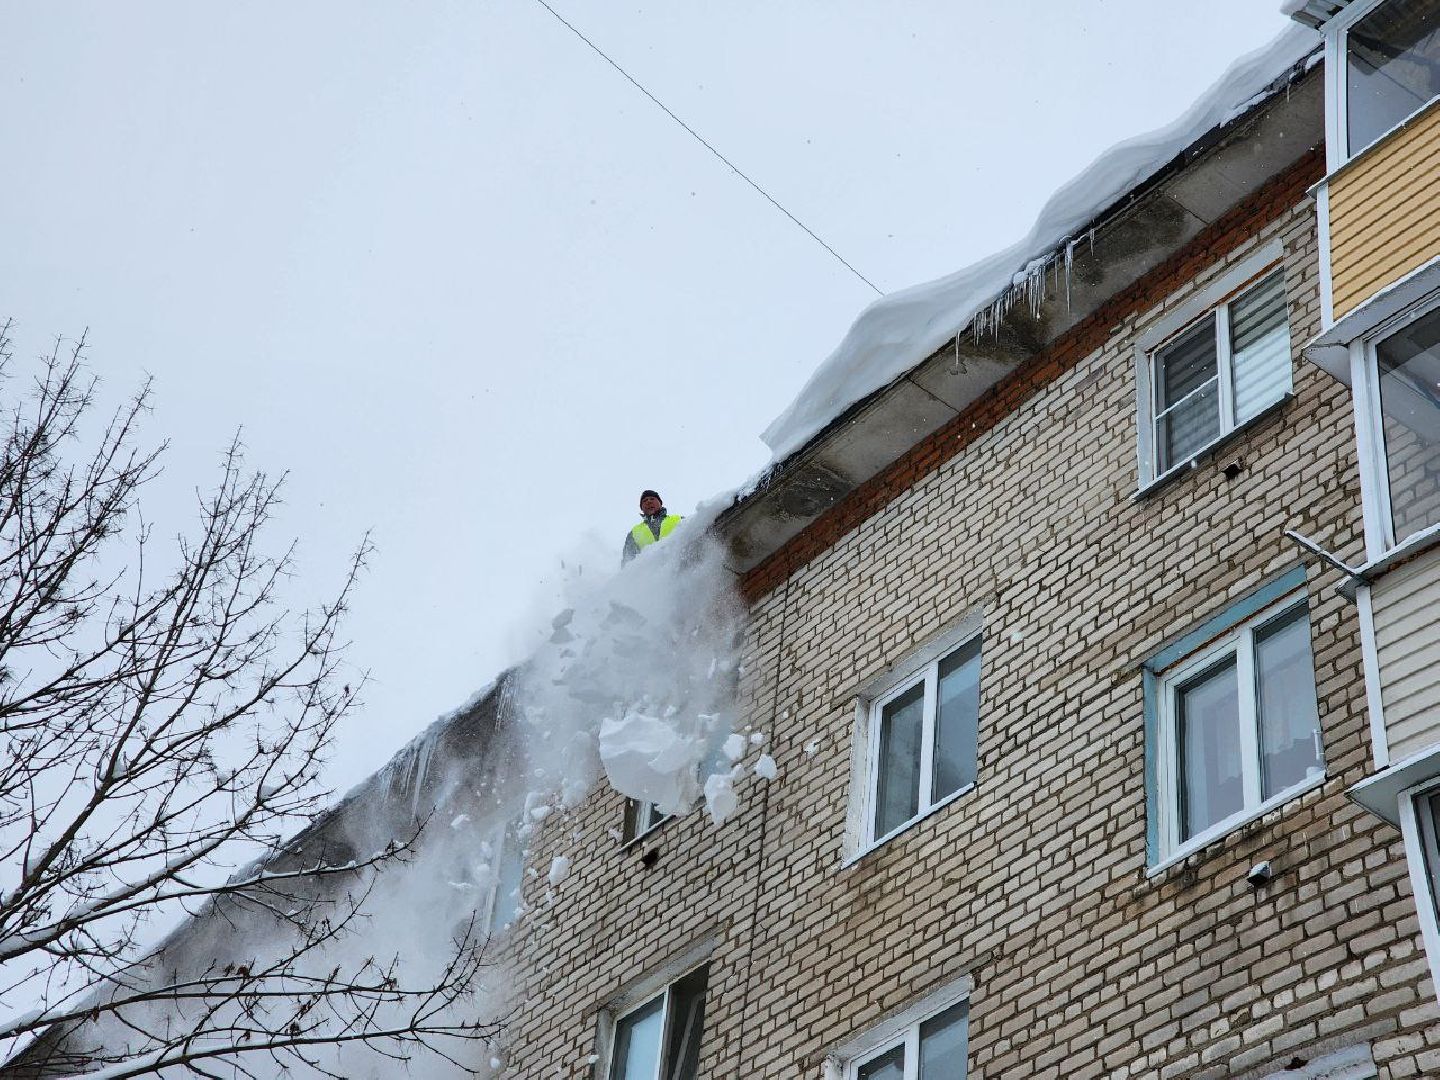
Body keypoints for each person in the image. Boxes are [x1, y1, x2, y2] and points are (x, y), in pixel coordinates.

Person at [622, 489, 682, 564]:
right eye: (645, 500)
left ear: (660, 503)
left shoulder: (679, 520)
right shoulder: (634, 533)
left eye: (652, 499)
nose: (649, 502)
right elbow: (627, 563)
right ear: (641, 508)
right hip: (651, 571)